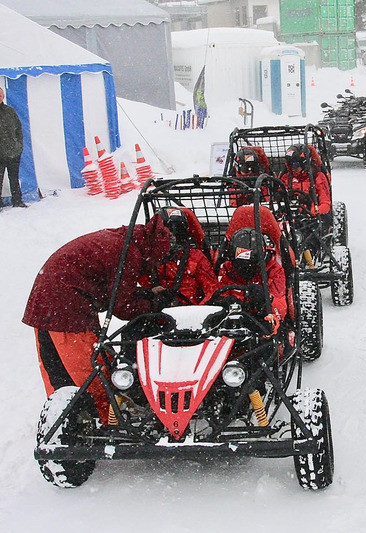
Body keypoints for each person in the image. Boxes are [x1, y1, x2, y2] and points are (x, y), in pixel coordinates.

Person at [23, 216, 172, 422]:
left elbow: (114, 291)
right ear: (152, 253)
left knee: (56, 371)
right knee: (95, 371)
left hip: (44, 300)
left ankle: (65, 418)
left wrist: (145, 294)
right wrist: (155, 306)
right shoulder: (129, 254)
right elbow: (122, 306)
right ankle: (106, 421)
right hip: (67, 307)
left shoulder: (125, 240)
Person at [141, 207, 220, 306]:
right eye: (166, 234)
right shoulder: (147, 258)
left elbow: (212, 290)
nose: (172, 237)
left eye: (177, 232)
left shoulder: (195, 257)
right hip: (155, 311)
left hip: (188, 312)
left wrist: (199, 312)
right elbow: (135, 290)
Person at [217, 227, 287, 334]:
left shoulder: (274, 271)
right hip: (232, 323)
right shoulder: (227, 269)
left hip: (262, 321)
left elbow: (280, 312)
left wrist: (266, 298)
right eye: (240, 264)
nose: (244, 269)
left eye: (249, 265)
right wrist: (224, 301)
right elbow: (218, 294)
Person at [279, 143, 332, 219]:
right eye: (290, 165)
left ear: (304, 164)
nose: (293, 168)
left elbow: (325, 202)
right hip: (288, 214)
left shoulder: (317, 177)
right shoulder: (285, 178)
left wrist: (314, 213)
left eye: (295, 165)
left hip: (310, 215)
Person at [0, 86, 27, 209]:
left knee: (14, 178)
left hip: (13, 152)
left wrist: (18, 146)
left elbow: (18, 129)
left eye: (1, 95)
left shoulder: (10, 111)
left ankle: (17, 200)